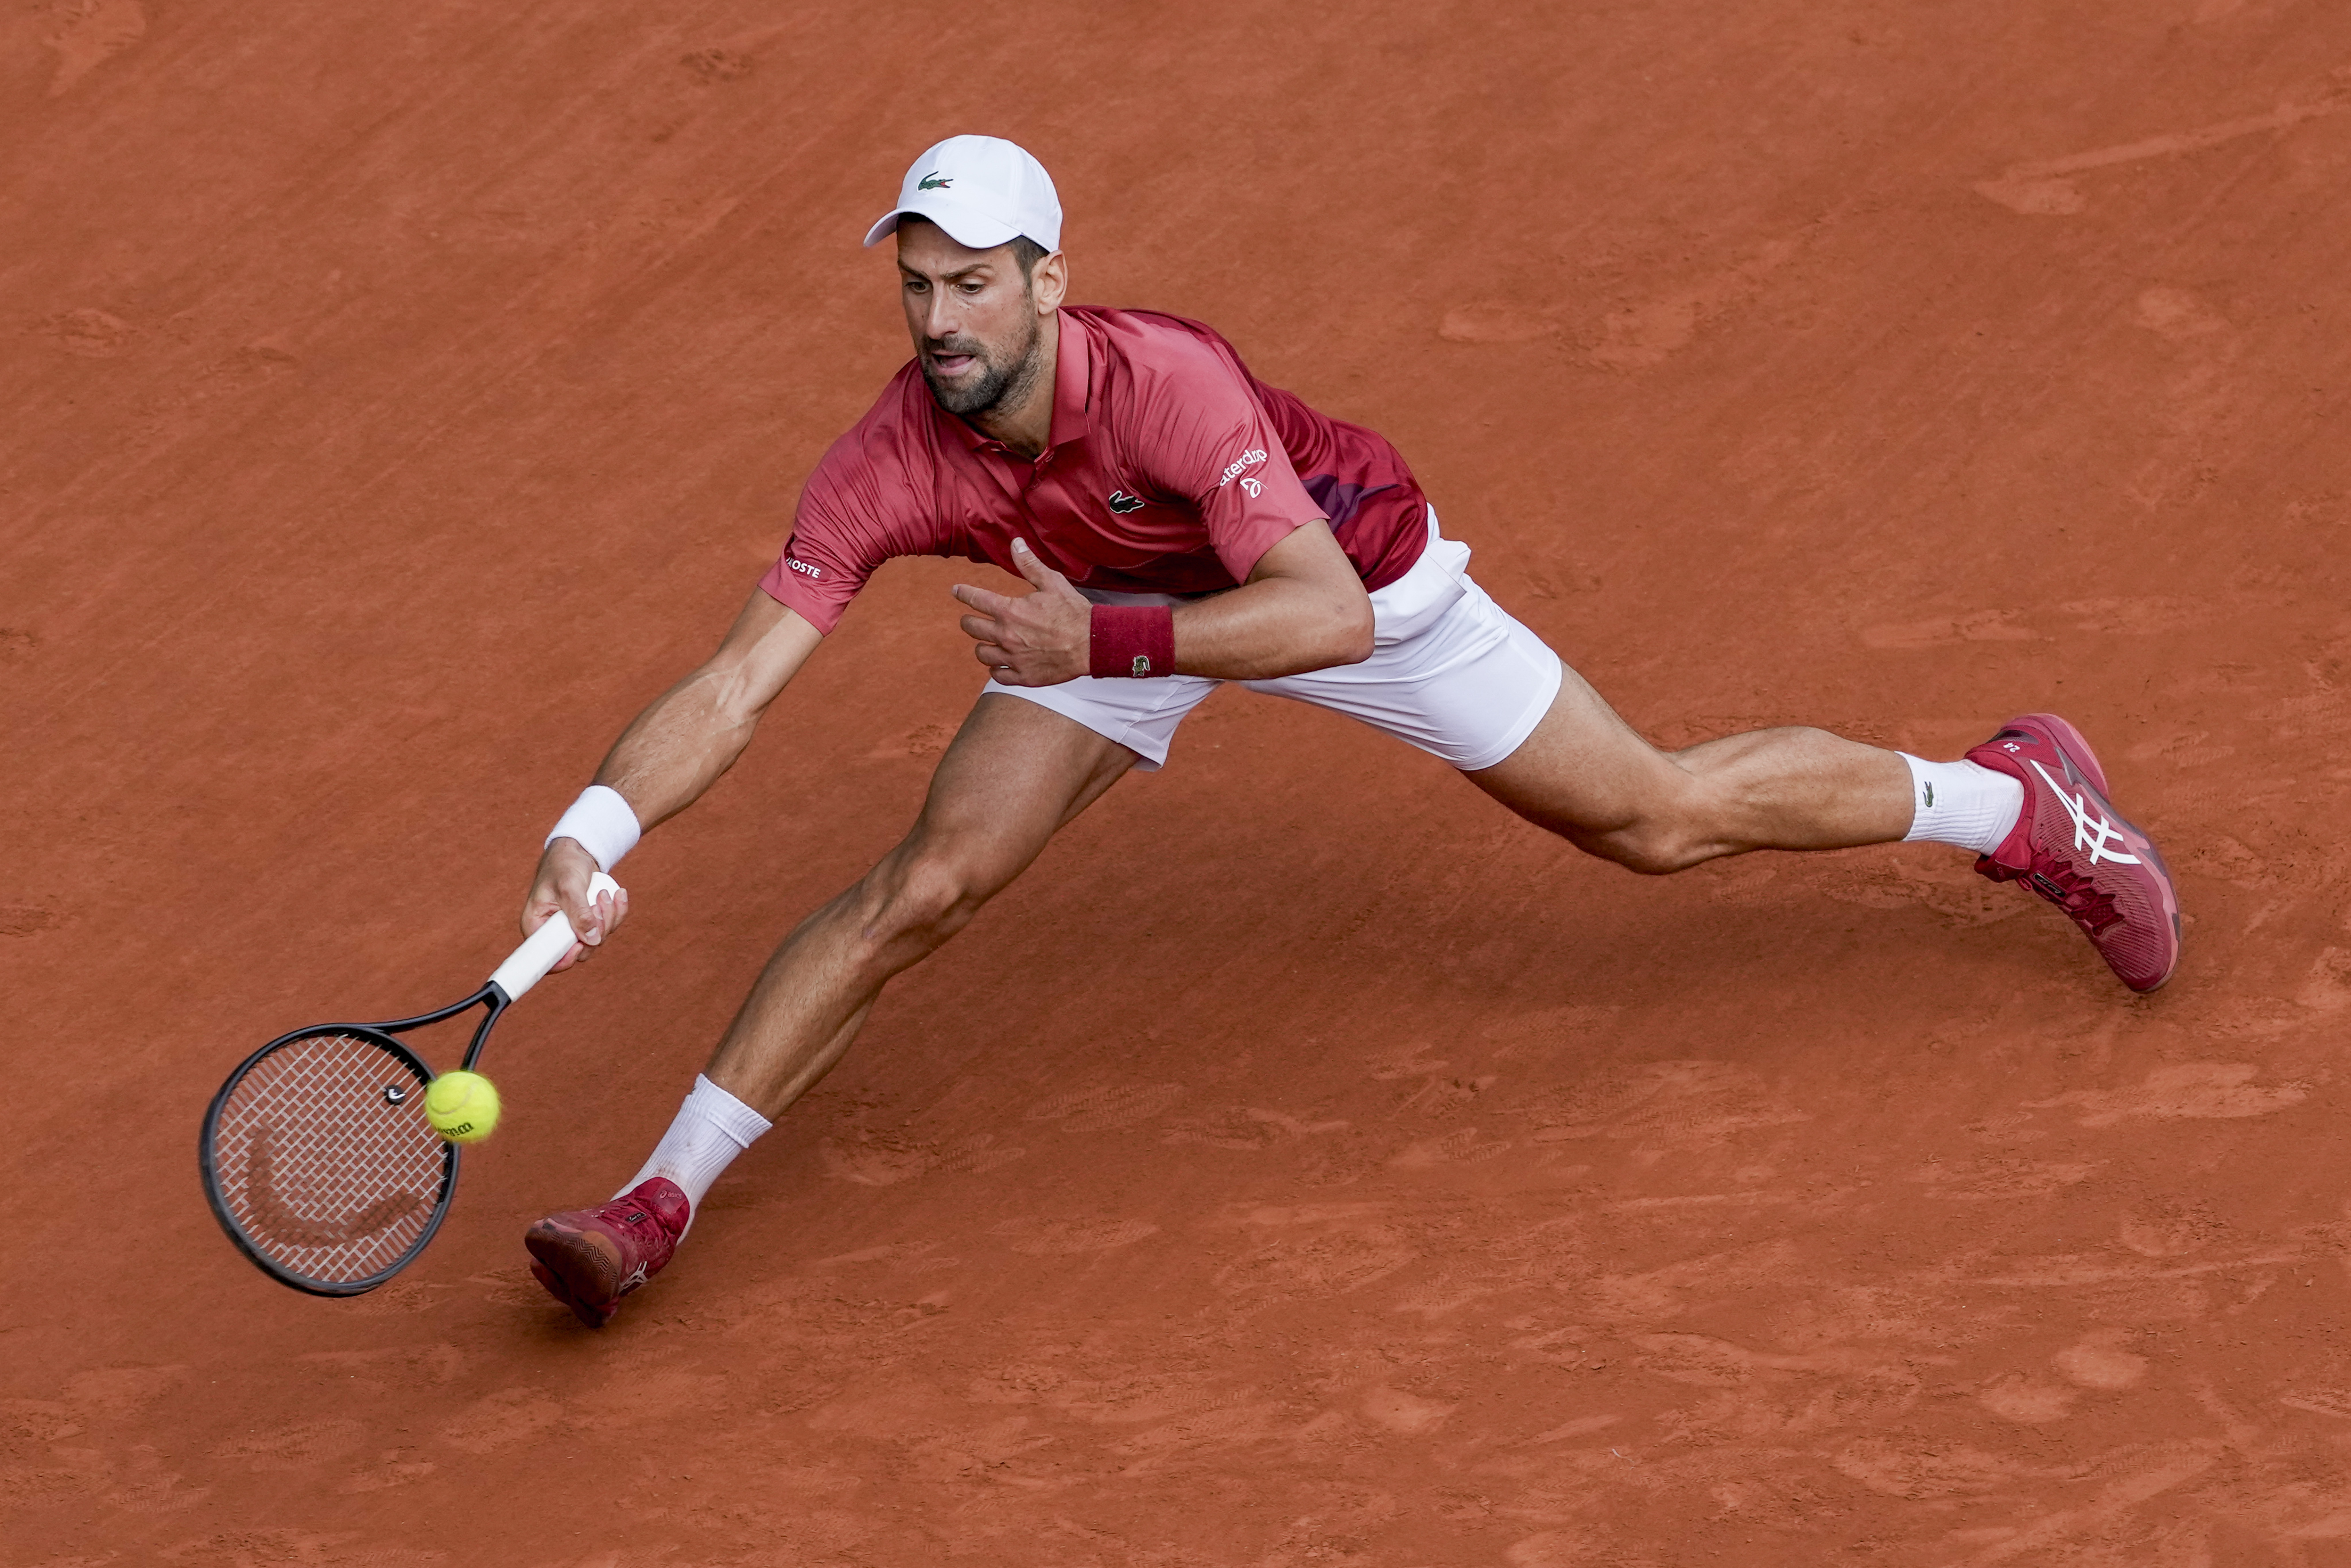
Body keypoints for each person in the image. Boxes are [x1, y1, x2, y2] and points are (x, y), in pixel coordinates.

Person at [515, 135, 2181, 1328]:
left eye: (972, 285)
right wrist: (595, 829)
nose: (941, 320)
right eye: (917, 288)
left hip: (1338, 586)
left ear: (1049, 282)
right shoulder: (891, 454)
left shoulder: (1163, 380)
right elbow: (737, 682)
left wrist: (1098, 633)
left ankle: (2021, 807)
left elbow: (1320, 616)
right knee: (924, 887)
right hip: (1098, 618)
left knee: (1654, 818)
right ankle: (655, 1200)